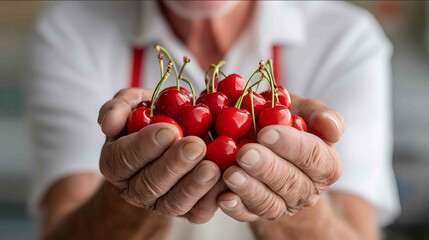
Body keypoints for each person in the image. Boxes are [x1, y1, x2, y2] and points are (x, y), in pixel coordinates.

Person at [25, 1, 400, 239]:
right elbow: (63, 227)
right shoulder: (70, 30)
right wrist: (130, 192)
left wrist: (297, 199)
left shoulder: (346, 38)